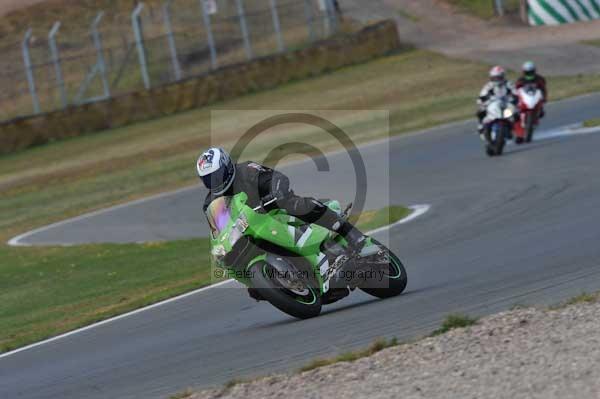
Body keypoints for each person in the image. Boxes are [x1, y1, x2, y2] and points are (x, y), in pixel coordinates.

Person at [197, 147, 367, 252]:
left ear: (227, 166)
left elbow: (275, 178)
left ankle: (350, 233)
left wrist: (275, 193)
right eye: (208, 179)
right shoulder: (210, 203)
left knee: (294, 204)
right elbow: (218, 230)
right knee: (253, 287)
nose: (214, 182)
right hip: (250, 228)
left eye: (216, 176)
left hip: (272, 207)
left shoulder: (246, 170)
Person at [476, 65, 517, 135]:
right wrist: (481, 99)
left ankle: (517, 130)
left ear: (502, 76)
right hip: (492, 103)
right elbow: (483, 93)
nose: (496, 79)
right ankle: (480, 125)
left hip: (506, 103)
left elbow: (515, 92)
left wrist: (515, 97)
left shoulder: (508, 84)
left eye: (498, 77)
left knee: (516, 112)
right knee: (481, 111)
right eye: (495, 78)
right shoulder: (489, 85)